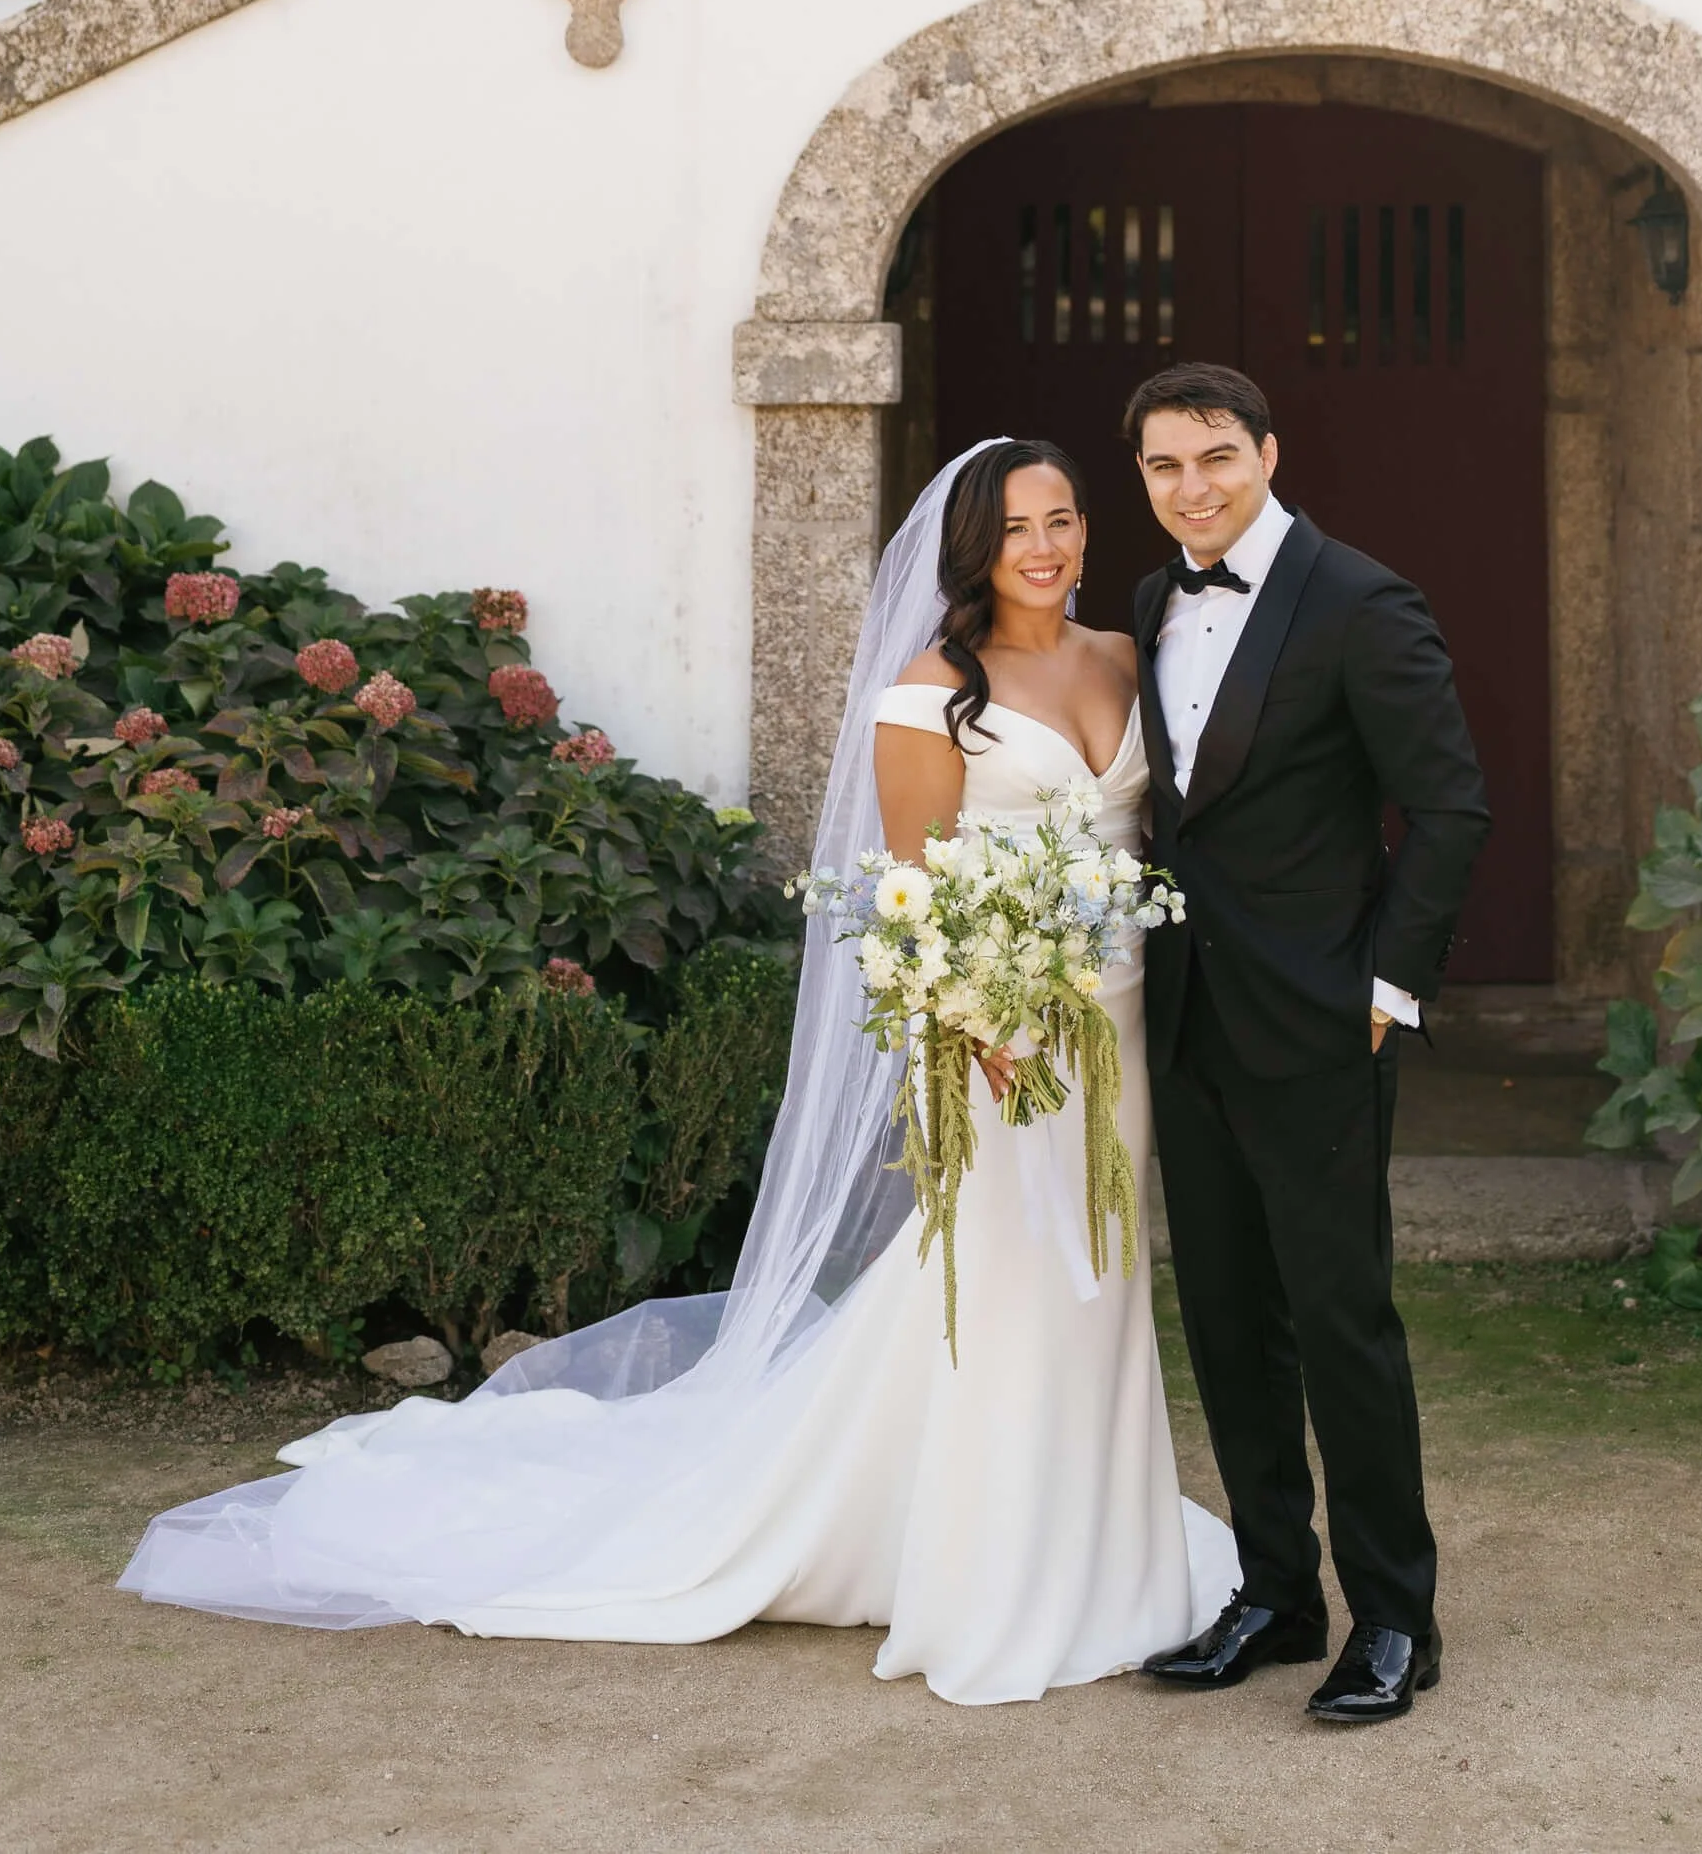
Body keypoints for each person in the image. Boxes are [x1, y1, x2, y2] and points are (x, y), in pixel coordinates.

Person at [118, 437, 1235, 1708]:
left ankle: (1107, 1533)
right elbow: (910, 894)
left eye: (1067, 518)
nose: (1049, 546)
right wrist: (976, 1028)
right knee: (1010, 1276)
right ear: (972, 548)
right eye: (1021, 526)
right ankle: (1004, 1567)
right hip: (1005, 1039)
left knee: (1101, 1273)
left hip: (1126, 1020)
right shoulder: (932, 693)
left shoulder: (1124, 659)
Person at [1126, 359, 1491, 1729]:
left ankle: (1397, 1616)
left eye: (1214, 455)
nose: (1192, 486)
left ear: (1267, 452)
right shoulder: (1155, 600)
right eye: (1164, 466)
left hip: (1325, 1022)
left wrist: (1389, 985)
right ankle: (1278, 1591)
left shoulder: (1359, 598)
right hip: (1188, 1020)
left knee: (1343, 1321)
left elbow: (1451, 807)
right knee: (1225, 1319)